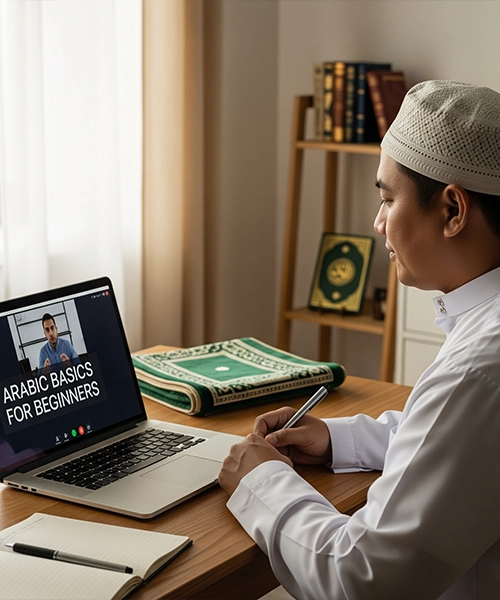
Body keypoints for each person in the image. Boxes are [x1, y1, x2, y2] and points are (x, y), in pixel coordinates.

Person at [219, 80, 500, 600]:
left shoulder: (479, 368)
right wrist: (338, 439)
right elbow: (462, 443)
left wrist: (260, 483)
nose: (377, 224)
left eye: (388, 200)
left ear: (453, 211)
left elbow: (361, 578)